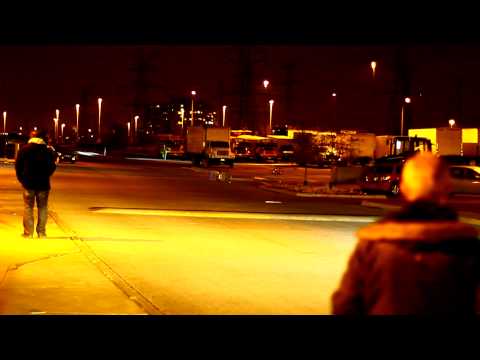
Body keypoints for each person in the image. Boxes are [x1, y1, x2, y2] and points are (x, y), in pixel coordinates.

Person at [332, 152, 480, 315]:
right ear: (447, 188)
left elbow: (345, 305)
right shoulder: (468, 248)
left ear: (404, 187)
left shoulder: (373, 245)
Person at [15, 129, 57, 238]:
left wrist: (22, 179)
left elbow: (18, 167)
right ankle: (41, 233)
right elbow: (52, 167)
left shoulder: (24, 150)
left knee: (28, 207)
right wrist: (46, 174)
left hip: (28, 183)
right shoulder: (47, 151)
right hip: (43, 184)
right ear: (43, 139)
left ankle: (28, 233)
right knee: (43, 207)